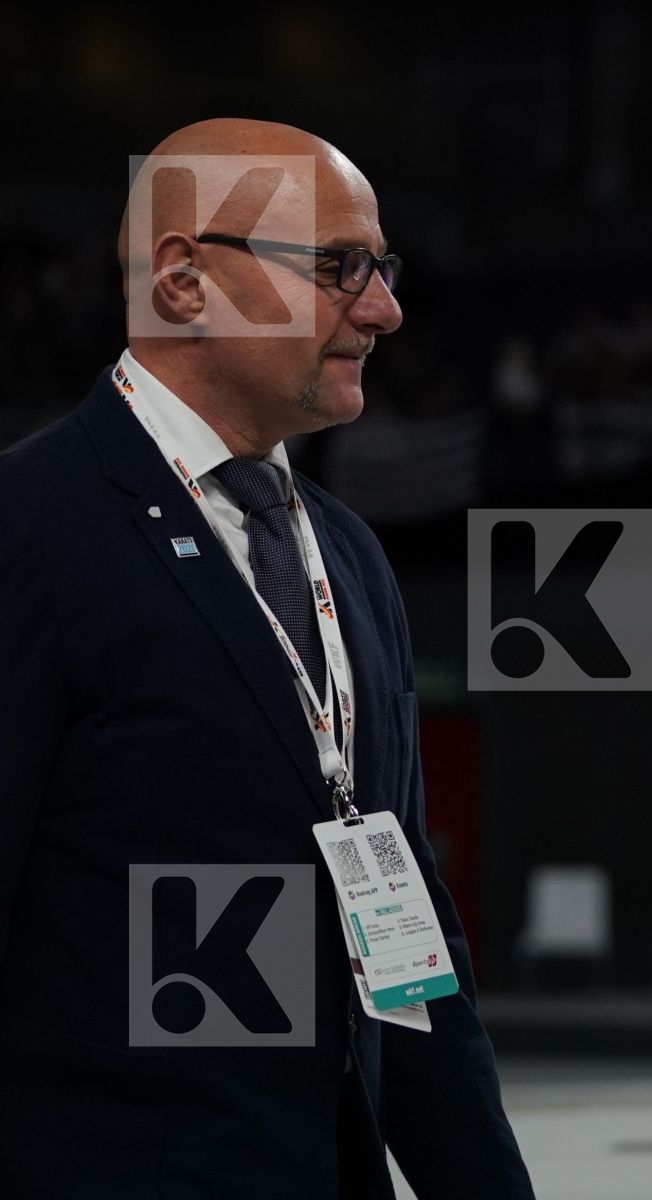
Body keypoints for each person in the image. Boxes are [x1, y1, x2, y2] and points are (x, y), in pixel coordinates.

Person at [0, 119, 535, 1198]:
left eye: (382, 269)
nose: (382, 310)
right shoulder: (29, 530)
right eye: (341, 267)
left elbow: (406, 929)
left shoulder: (352, 555)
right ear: (186, 281)